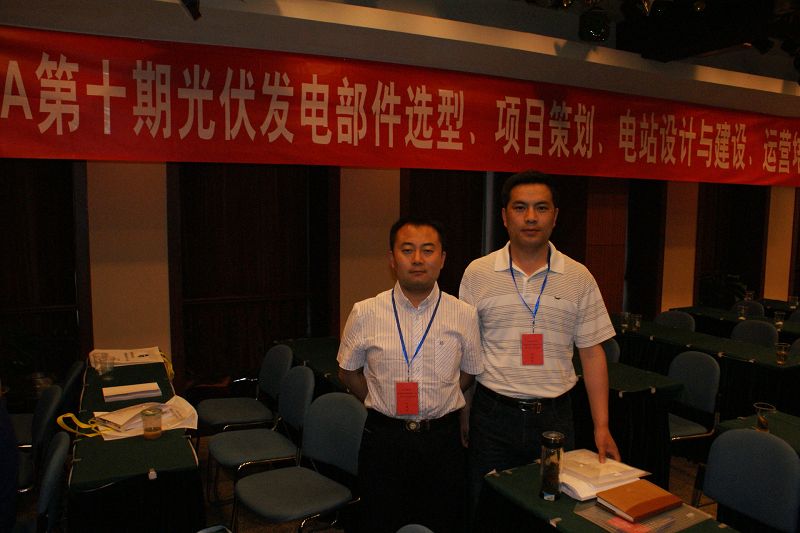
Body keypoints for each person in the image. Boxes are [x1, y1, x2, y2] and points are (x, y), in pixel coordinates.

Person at [459, 170, 620, 513]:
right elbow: (469, 352)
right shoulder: (477, 273)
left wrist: (602, 426)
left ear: (555, 216)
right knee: (486, 508)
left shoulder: (578, 277)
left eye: (541, 208)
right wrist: (465, 412)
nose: (531, 217)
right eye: (520, 208)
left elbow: (592, 354)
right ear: (505, 216)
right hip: (493, 415)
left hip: (555, 418)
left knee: (552, 511)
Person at [338, 216, 482, 533]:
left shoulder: (464, 314)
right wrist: (381, 399)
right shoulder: (365, 312)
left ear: (442, 258)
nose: (417, 259)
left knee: (443, 523)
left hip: (442, 443)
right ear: (392, 259)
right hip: (384, 441)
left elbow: (469, 374)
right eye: (407, 250)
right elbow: (348, 373)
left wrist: (442, 396)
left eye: (428, 250)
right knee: (379, 522)